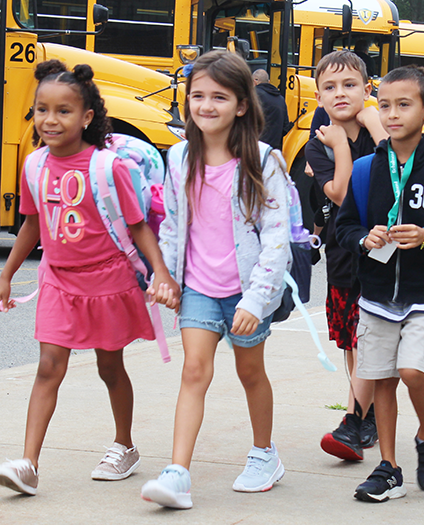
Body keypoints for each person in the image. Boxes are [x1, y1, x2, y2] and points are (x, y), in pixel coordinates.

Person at [0, 60, 175, 495]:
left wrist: (161, 273)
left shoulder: (109, 168)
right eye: (41, 110)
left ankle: (124, 445)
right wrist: (7, 275)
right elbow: (32, 225)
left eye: (63, 111)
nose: (50, 120)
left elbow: (137, 226)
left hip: (108, 282)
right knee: (48, 367)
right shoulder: (34, 165)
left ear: (87, 117)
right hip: (58, 282)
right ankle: (28, 464)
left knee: (110, 367)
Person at [140, 50, 291, 510]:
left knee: (250, 373)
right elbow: (170, 225)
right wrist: (162, 274)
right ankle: (177, 472)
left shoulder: (264, 161)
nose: (206, 106)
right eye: (198, 96)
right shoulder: (179, 156)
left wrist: (256, 300)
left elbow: (276, 239)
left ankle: (265, 454)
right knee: (193, 371)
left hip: (246, 293)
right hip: (199, 288)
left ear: (242, 105)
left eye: (219, 97)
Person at [336, 65, 424, 502]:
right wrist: (365, 238)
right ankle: (389, 467)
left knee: (411, 370)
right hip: (377, 295)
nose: (393, 114)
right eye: (384, 106)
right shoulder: (365, 171)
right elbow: (343, 229)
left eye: (404, 104)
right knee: (381, 379)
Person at [305, 50, 388, 461]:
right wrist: (339, 144)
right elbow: (339, 193)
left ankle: (353, 423)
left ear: (367, 90)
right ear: (318, 97)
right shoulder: (319, 143)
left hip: (385, 254)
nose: (341, 93)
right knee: (354, 346)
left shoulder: (382, 129)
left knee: (369, 339)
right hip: (343, 254)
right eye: (330, 88)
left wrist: (374, 122)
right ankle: (364, 420)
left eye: (350, 85)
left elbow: (399, 169)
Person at [252, 69, 290, 150]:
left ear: (254, 81)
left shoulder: (253, 95)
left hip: (254, 148)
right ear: (268, 81)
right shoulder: (280, 99)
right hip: (272, 151)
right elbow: (285, 126)